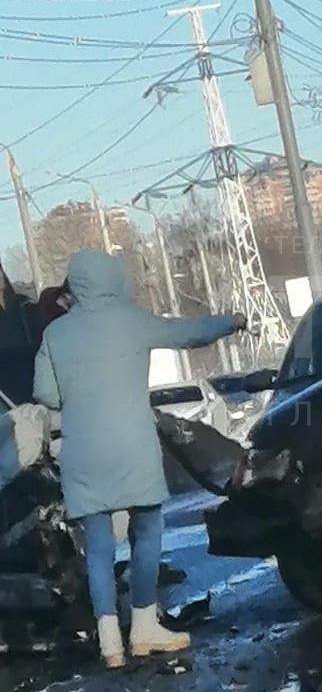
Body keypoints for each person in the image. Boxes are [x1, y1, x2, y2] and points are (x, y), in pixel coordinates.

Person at [32, 250, 246, 669]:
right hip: (131, 446)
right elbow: (187, 333)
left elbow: (46, 394)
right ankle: (145, 627)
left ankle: (110, 643)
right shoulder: (131, 322)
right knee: (146, 530)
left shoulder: (55, 335)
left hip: (83, 453)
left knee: (97, 548)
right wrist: (230, 322)